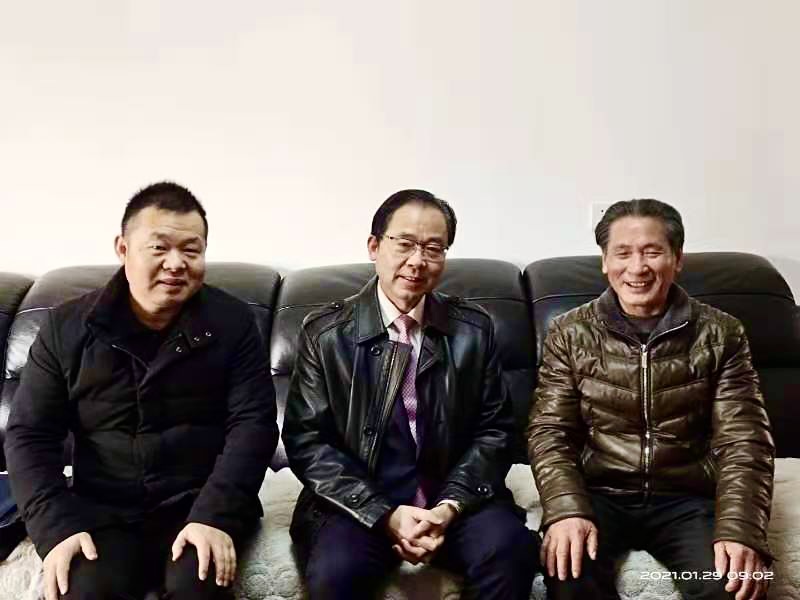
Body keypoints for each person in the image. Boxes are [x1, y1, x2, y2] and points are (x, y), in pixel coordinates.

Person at [5, 182, 278, 600]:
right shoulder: (67, 328)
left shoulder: (232, 323)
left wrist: (215, 515)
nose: (176, 263)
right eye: (159, 248)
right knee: (85, 590)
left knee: (197, 585)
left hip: (198, 501)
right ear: (123, 248)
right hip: (102, 508)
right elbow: (29, 434)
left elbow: (253, 425)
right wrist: (56, 529)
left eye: (191, 250)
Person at [283, 189, 539, 600]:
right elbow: (307, 440)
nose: (418, 260)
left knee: (510, 550)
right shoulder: (325, 334)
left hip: (453, 499)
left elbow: (496, 430)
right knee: (336, 572)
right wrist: (383, 514)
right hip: (358, 504)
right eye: (404, 244)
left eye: (433, 248)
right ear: (374, 246)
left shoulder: (474, 329)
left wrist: (449, 506)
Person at [528, 199, 774, 600]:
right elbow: (549, 431)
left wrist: (740, 528)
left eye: (652, 252)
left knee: (733, 586)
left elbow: (744, 438)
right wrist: (566, 509)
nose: (637, 267)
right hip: (601, 493)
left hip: (688, 497)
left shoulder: (721, 333)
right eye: (622, 253)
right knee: (569, 575)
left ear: (677, 259)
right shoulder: (569, 333)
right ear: (605, 262)